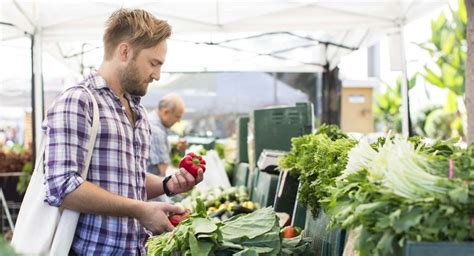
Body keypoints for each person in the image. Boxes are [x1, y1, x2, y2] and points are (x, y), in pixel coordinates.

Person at [43, 9, 203, 255]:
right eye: (154, 63)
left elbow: (129, 180)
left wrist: (168, 184)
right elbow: (62, 187)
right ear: (125, 51)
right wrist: (139, 210)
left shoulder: (136, 108)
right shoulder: (79, 101)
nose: (157, 75)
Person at [147, 93, 187, 177]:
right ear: (166, 112)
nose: (179, 121)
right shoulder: (156, 131)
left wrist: (175, 148)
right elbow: (164, 173)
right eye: (177, 116)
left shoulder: (153, 123)